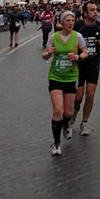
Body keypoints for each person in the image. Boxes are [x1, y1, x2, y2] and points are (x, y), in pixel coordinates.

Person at [42, 11, 88, 156]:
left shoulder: (77, 36)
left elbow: (86, 52)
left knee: (68, 112)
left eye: (72, 20)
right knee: (58, 110)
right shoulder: (54, 37)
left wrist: (78, 57)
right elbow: (44, 55)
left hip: (71, 77)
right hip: (55, 76)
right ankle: (56, 144)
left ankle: (66, 124)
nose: (71, 23)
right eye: (67, 20)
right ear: (62, 22)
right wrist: (48, 53)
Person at [70, 2, 100, 135]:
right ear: (85, 13)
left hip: (93, 63)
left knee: (90, 94)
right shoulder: (78, 27)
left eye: (96, 10)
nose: (95, 12)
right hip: (79, 64)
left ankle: (84, 123)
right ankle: (75, 110)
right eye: (92, 10)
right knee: (78, 97)